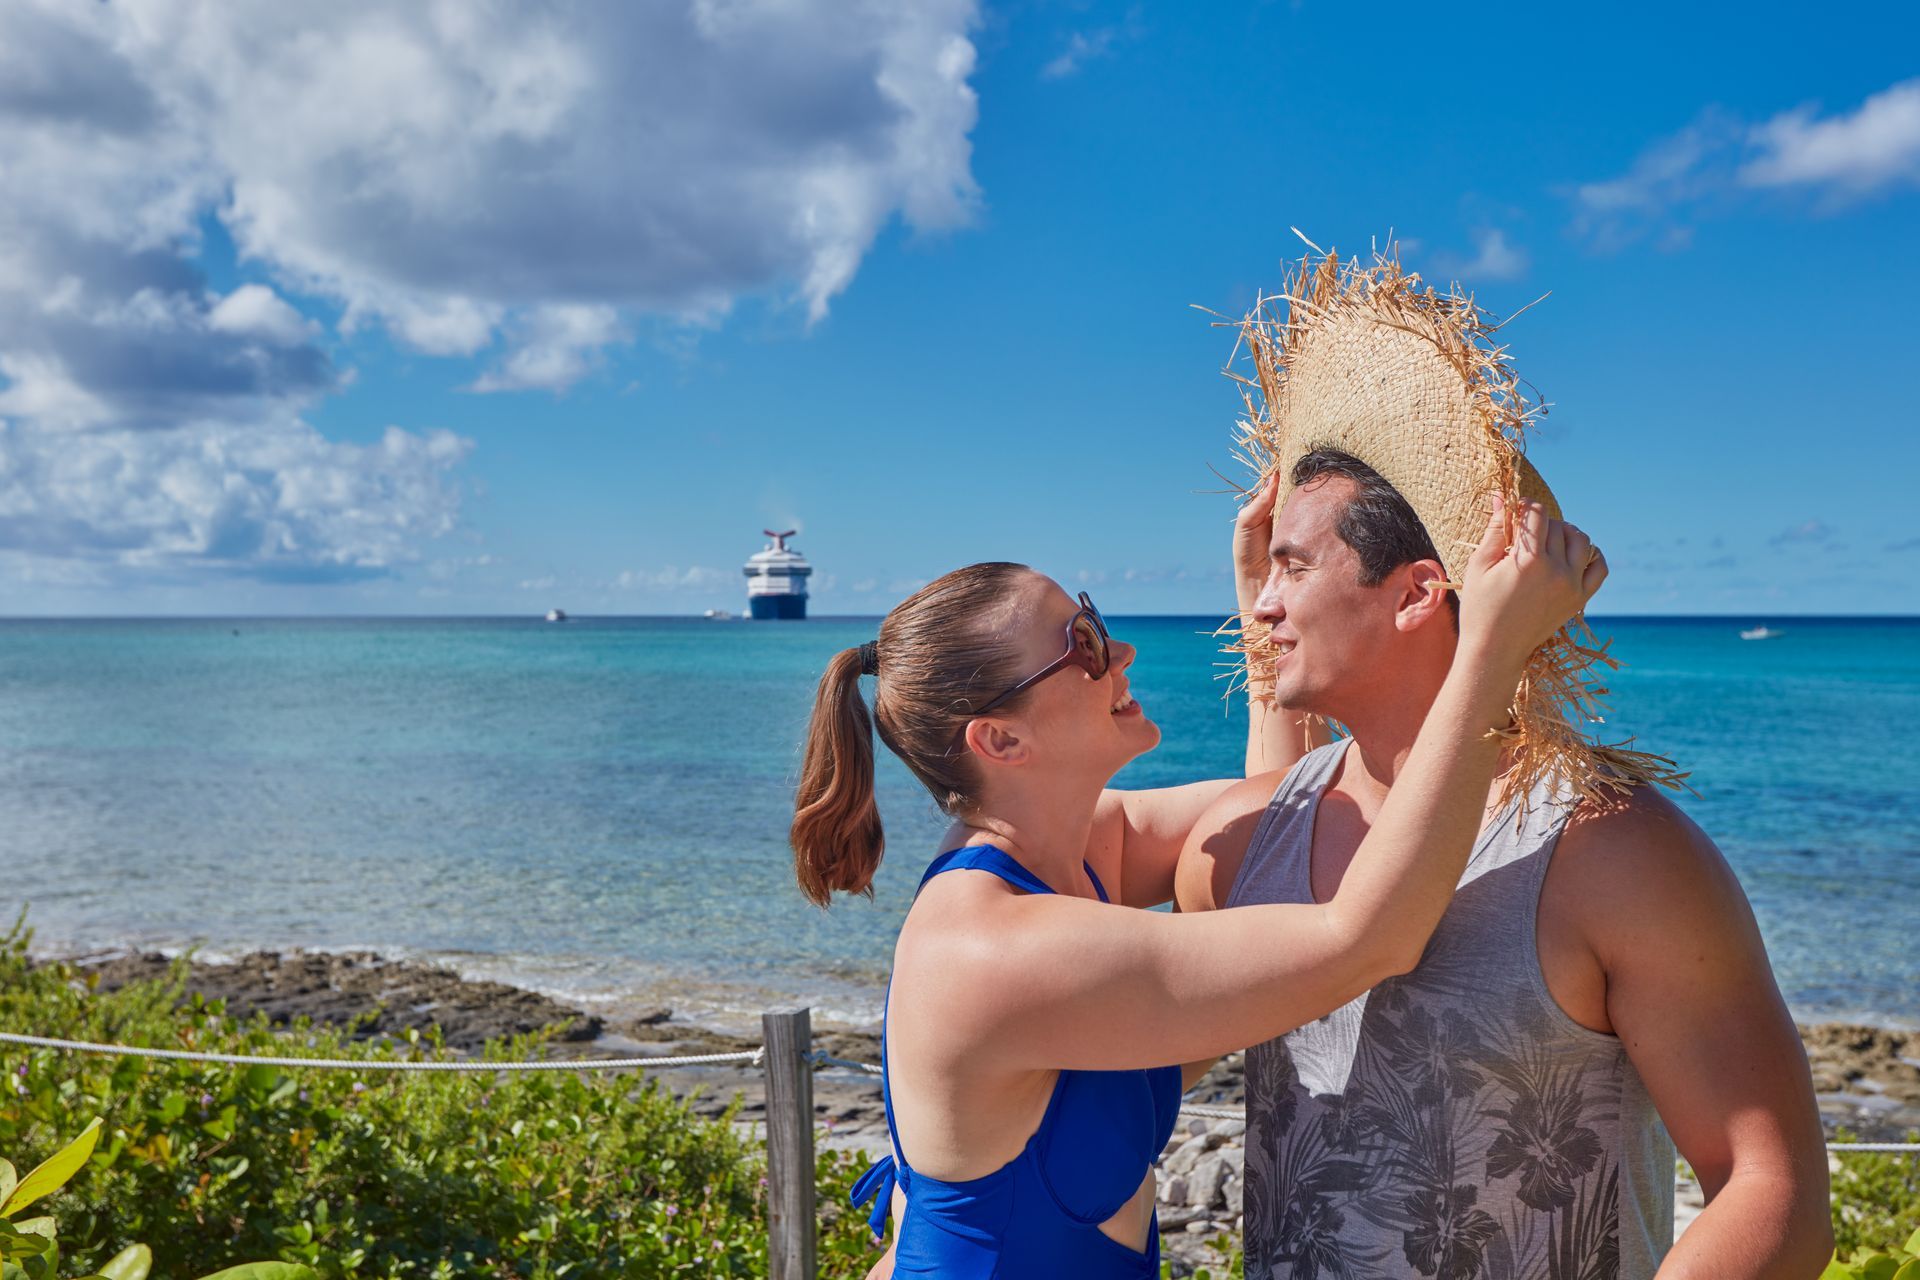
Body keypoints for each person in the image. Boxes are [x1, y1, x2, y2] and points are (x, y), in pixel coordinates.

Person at [1174, 253, 1833, 1278]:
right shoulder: (1238, 845)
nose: (1258, 605)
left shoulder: (1611, 848)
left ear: (1416, 592)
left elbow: (1774, 1189)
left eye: (1291, 567)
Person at [790, 491, 1604, 1278]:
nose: (1120, 653)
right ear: (1000, 738)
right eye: (1080, 644)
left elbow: (1284, 822)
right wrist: (1489, 652)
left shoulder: (1078, 854)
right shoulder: (990, 949)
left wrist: (1268, 607)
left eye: (1093, 618)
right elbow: (1366, 939)